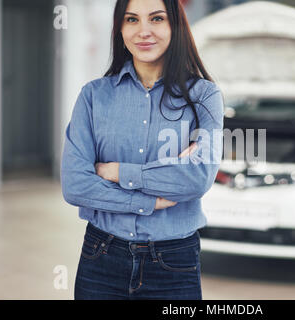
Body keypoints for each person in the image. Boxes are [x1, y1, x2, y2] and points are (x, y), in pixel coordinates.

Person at [60, 0, 224, 300]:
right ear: (120, 28)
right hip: (101, 258)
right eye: (132, 19)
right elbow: (75, 186)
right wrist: (150, 199)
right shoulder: (93, 96)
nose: (143, 31)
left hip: (174, 262)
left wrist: (114, 171)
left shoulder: (204, 97)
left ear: (175, 25)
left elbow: (197, 179)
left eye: (157, 19)